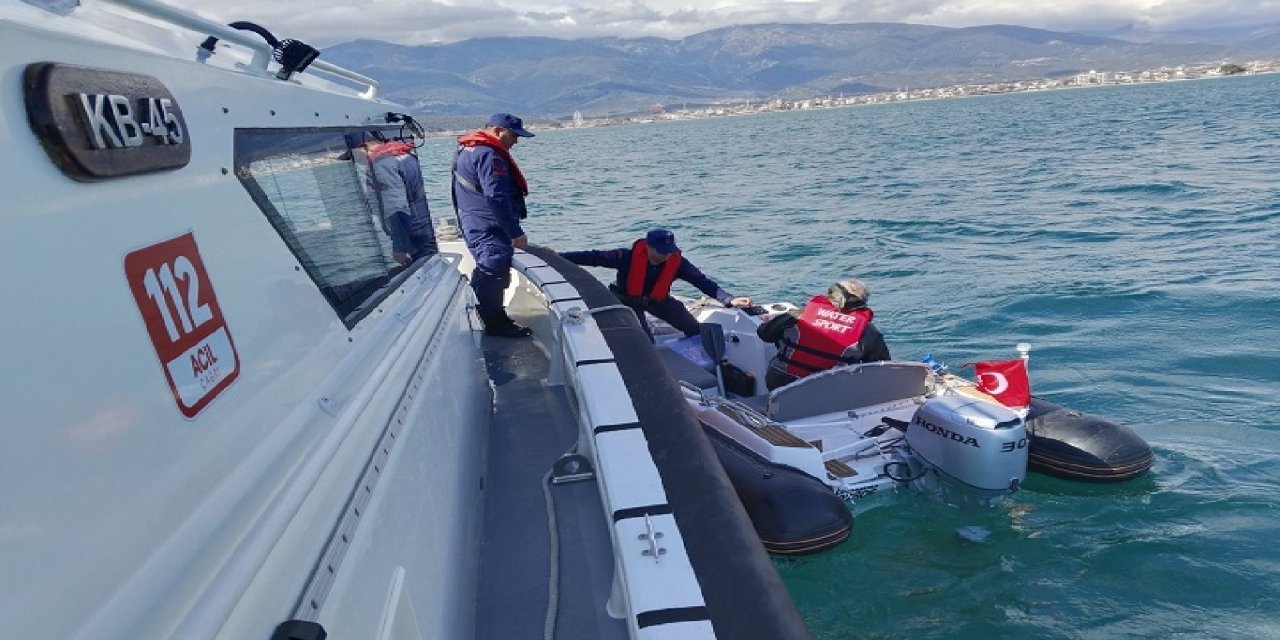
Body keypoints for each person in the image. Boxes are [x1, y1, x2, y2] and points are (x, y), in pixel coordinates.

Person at [559, 228, 753, 340]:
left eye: (669, 251)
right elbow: (591, 257)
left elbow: (702, 282)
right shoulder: (624, 257)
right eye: (661, 251)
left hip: (658, 300)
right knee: (643, 340)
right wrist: (556, 257)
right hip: (627, 300)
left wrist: (729, 299)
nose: (666, 256)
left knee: (693, 328)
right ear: (649, 247)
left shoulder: (678, 263)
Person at [453, 113, 535, 338]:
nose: (516, 141)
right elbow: (495, 196)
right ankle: (495, 324)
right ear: (498, 131)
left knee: (486, 270)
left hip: (473, 220)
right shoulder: (489, 155)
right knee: (493, 269)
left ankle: (488, 316)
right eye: (513, 135)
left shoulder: (467, 150)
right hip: (489, 226)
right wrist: (515, 232)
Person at [756, 278, 891, 391]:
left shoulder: (801, 314)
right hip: (829, 390)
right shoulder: (867, 330)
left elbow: (765, 334)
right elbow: (880, 368)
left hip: (781, 383)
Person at [343, 132, 437, 265]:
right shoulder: (405, 156)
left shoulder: (381, 166)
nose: (354, 162)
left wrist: (399, 247)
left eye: (353, 156)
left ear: (363, 147)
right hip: (425, 225)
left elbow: (396, 209)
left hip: (416, 232)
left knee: (424, 266)